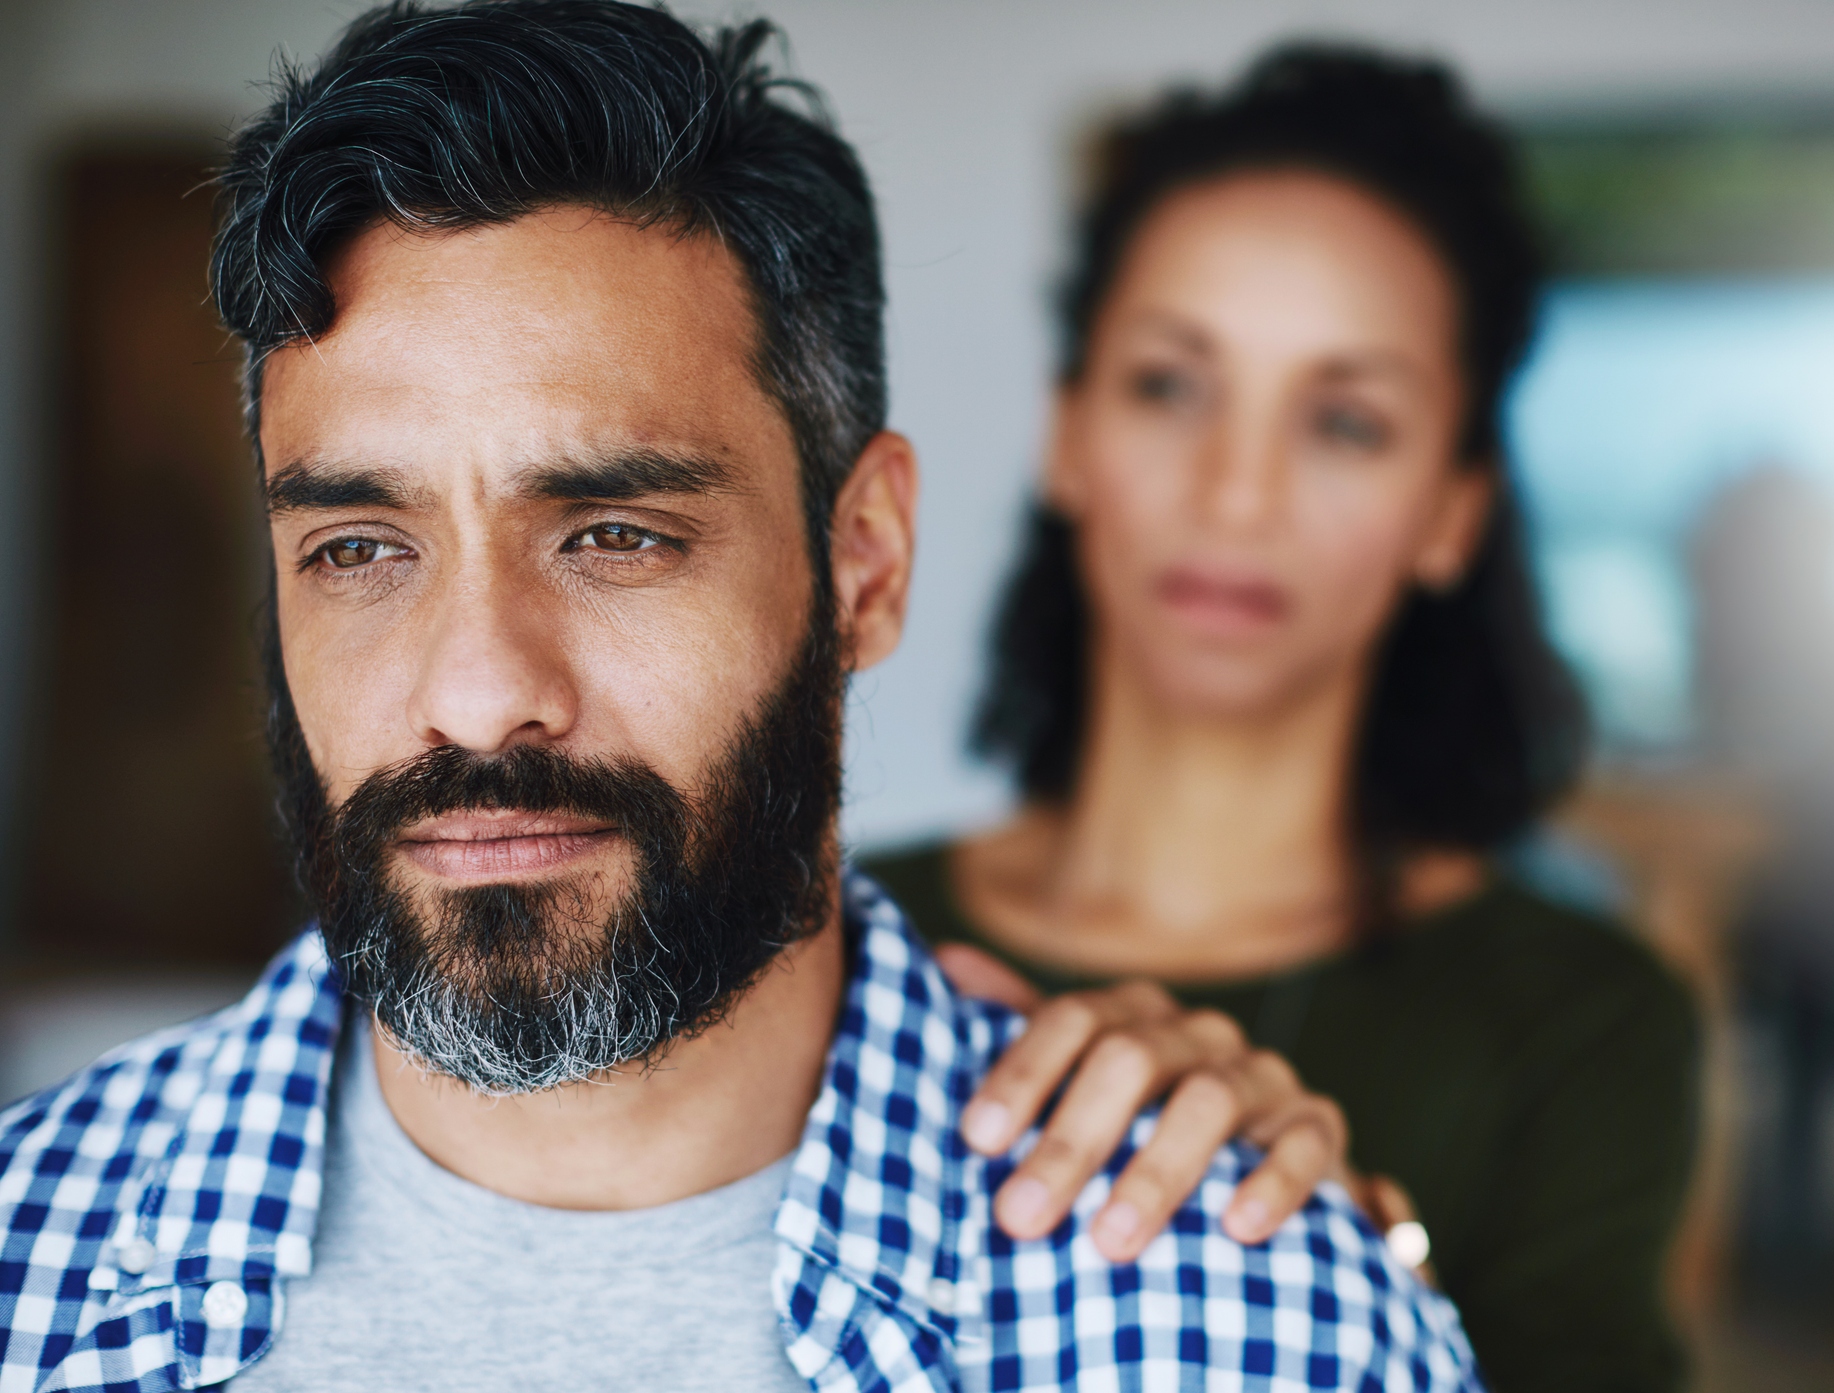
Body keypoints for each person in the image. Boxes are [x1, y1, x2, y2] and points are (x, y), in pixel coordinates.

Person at [0, 6, 1478, 1391]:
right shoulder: (25, 1266)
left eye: (616, 537)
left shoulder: (1262, 1334)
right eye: (361, 547)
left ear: (865, 562)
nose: (475, 693)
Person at [863, 45, 1702, 1393]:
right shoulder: (832, 937)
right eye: (1170, 385)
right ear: (1067, 432)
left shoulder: (1586, 1022)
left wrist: (1351, 1253)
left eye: (1346, 422)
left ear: (1452, 511)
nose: (1236, 493)